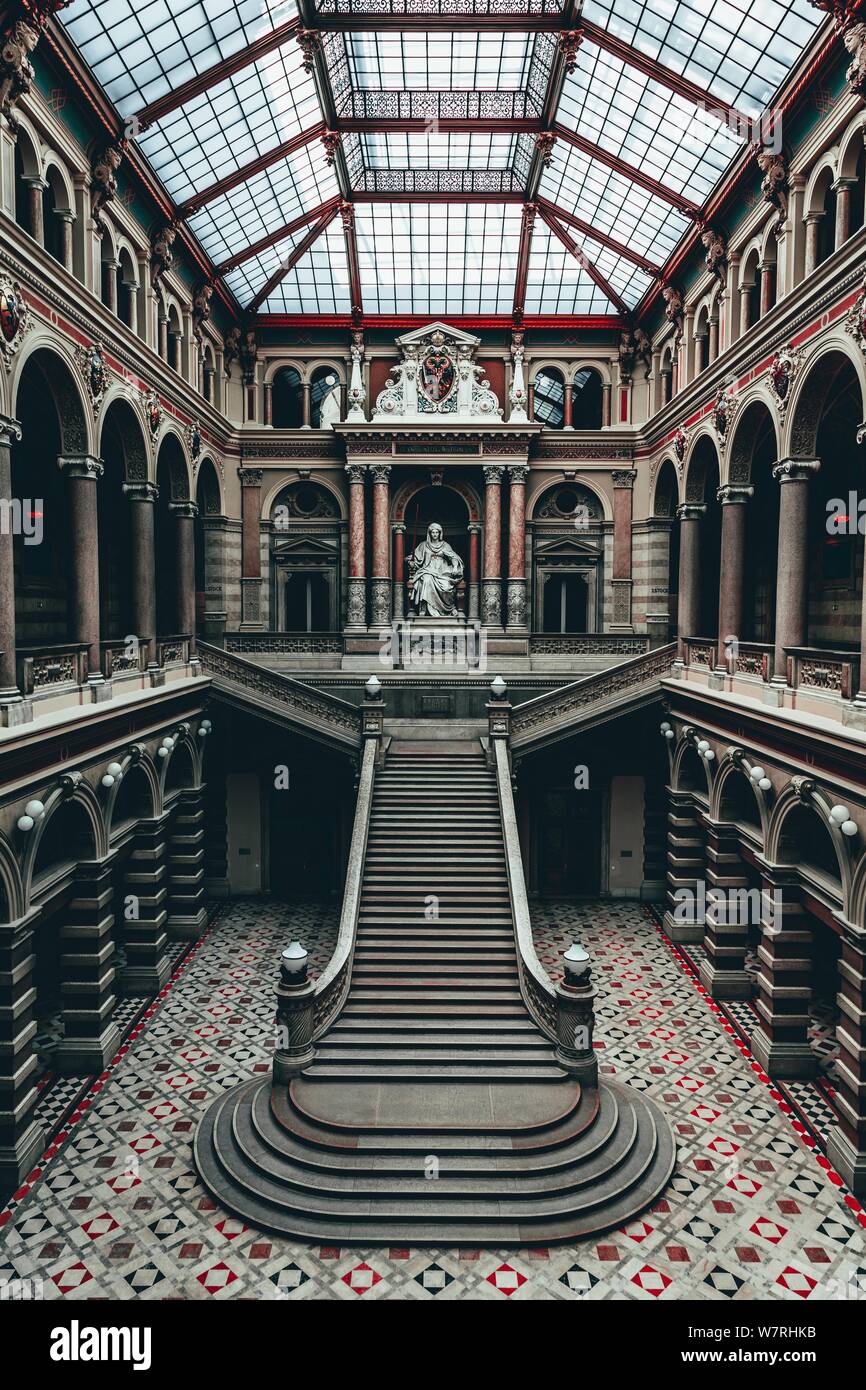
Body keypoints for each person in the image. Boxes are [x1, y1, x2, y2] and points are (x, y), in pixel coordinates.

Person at [408, 522, 463, 617]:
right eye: (433, 532)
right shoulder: (424, 545)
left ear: (440, 533)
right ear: (429, 533)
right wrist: (411, 562)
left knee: (446, 586)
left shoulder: (445, 545)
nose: (434, 534)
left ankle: (449, 608)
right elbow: (414, 558)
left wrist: (454, 567)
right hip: (427, 570)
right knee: (426, 580)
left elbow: (454, 557)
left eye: (437, 532)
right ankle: (424, 608)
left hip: (442, 572)